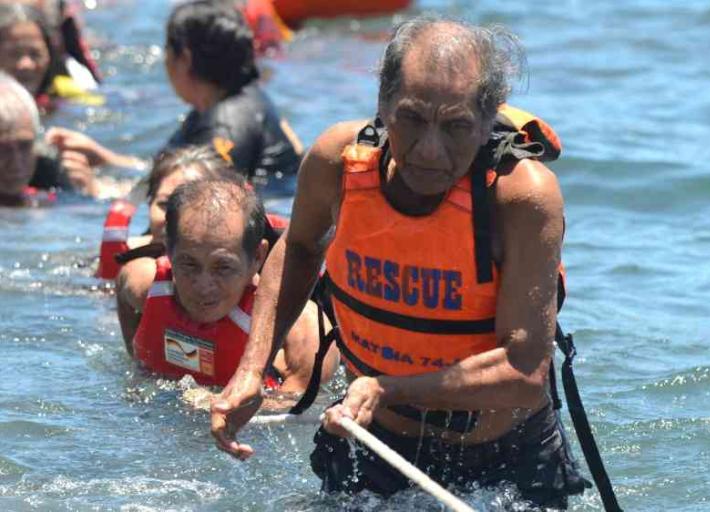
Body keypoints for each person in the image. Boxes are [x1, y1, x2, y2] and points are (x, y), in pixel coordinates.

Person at [209, 16, 591, 509]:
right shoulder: (337, 162)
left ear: (484, 122)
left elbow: (524, 370)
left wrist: (388, 388)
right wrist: (250, 369)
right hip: (373, 443)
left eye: (456, 127)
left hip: (503, 463)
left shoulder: (520, 198)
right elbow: (300, 248)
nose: (430, 151)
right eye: (411, 118)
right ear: (384, 105)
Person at [46, 0, 303, 188]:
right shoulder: (227, 102)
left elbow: (194, 201)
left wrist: (98, 190)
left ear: (184, 58)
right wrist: (107, 159)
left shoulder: (227, 124)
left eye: (168, 49)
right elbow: (177, 170)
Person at [116, 175, 338, 391]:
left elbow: (293, 413)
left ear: (257, 258)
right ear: (168, 251)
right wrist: (138, 361)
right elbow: (123, 286)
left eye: (223, 268)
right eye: (189, 265)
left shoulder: (303, 333)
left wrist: (211, 405)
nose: (203, 287)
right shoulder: (146, 283)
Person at [96, 145, 240, 279]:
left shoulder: (238, 267)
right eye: (164, 204)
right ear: (149, 204)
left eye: (192, 206)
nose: (173, 218)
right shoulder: (125, 258)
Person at [0, 71, 95, 206]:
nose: (17, 163)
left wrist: (88, 194)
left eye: (24, 146)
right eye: (3, 150)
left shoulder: (49, 174)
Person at [0, 3, 100, 112]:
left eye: (35, 54)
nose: (26, 64)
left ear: (49, 55)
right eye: (14, 54)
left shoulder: (72, 95)